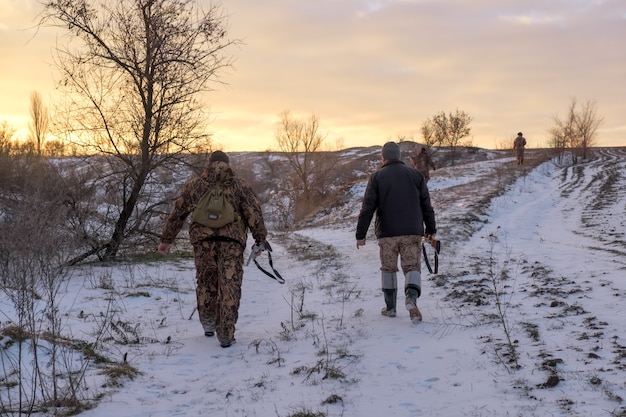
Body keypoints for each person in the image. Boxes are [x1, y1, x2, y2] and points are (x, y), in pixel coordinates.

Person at [158, 150, 268, 348]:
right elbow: (253, 213)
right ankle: (225, 333)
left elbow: (178, 212)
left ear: (209, 164)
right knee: (229, 284)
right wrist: (259, 239)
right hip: (232, 242)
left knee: (206, 280)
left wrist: (166, 239)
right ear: (227, 164)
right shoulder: (239, 184)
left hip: (202, 242)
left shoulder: (195, 185)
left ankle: (208, 323)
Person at [355, 142, 437, 323]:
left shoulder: (377, 177)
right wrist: (431, 229)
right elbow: (426, 206)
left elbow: (368, 208)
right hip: (412, 232)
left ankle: (391, 308)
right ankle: (411, 299)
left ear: (383, 158)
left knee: (388, 269)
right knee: (412, 267)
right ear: (399, 157)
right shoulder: (416, 175)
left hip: (387, 233)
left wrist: (360, 234)